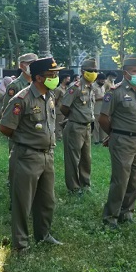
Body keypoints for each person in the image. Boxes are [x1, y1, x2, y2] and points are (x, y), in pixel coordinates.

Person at [0, 57, 64, 252]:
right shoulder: (22, 98)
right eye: (51, 75)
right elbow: (5, 127)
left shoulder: (49, 96)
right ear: (38, 77)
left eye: (56, 74)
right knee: (22, 203)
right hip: (27, 156)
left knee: (47, 200)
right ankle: (21, 243)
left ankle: (43, 235)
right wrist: (25, 140)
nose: (55, 77)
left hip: (47, 156)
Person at [99, 53, 136, 229]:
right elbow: (103, 118)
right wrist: (115, 134)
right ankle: (110, 217)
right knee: (120, 180)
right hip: (123, 141)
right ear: (126, 73)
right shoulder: (115, 92)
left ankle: (127, 212)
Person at [61, 58, 98, 194]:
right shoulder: (75, 88)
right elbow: (64, 107)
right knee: (73, 159)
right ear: (82, 72)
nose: (93, 73)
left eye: (95, 71)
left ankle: (85, 184)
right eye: (90, 71)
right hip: (75, 127)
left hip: (87, 127)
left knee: (86, 158)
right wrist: (74, 117)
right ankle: (74, 187)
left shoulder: (91, 87)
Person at [53, 74, 71, 141]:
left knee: (65, 124)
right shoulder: (58, 89)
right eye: (68, 79)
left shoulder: (68, 89)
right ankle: (58, 138)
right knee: (59, 124)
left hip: (66, 110)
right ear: (64, 79)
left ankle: (64, 137)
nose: (69, 80)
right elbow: (55, 100)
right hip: (59, 110)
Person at [92, 73, 107, 144]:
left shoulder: (102, 86)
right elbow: (92, 99)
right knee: (96, 125)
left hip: (102, 108)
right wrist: (101, 98)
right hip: (96, 108)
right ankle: (96, 140)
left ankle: (102, 139)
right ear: (98, 79)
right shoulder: (93, 87)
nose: (103, 82)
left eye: (104, 81)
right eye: (102, 81)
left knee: (102, 124)